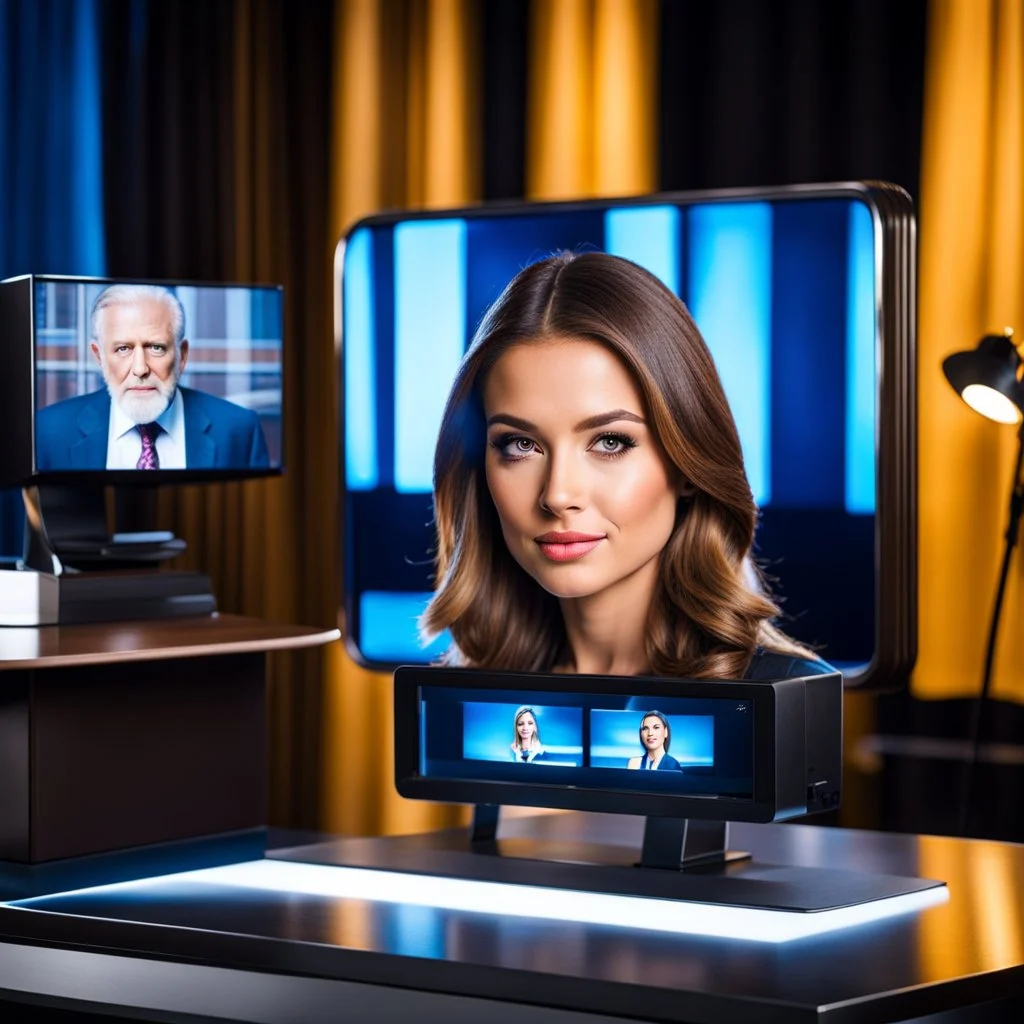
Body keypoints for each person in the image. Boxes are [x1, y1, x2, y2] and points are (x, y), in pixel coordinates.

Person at [421, 250, 833, 682]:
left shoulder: (785, 696)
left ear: (687, 465)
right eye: (520, 444)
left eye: (610, 442)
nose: (558, 495)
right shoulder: (468, 697)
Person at [35, 284, 270, 471]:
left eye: (156, 348)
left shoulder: (239, 430)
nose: (140, 369)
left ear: (182, 355)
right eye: (123, 349)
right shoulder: (48, 432)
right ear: (99, 357)